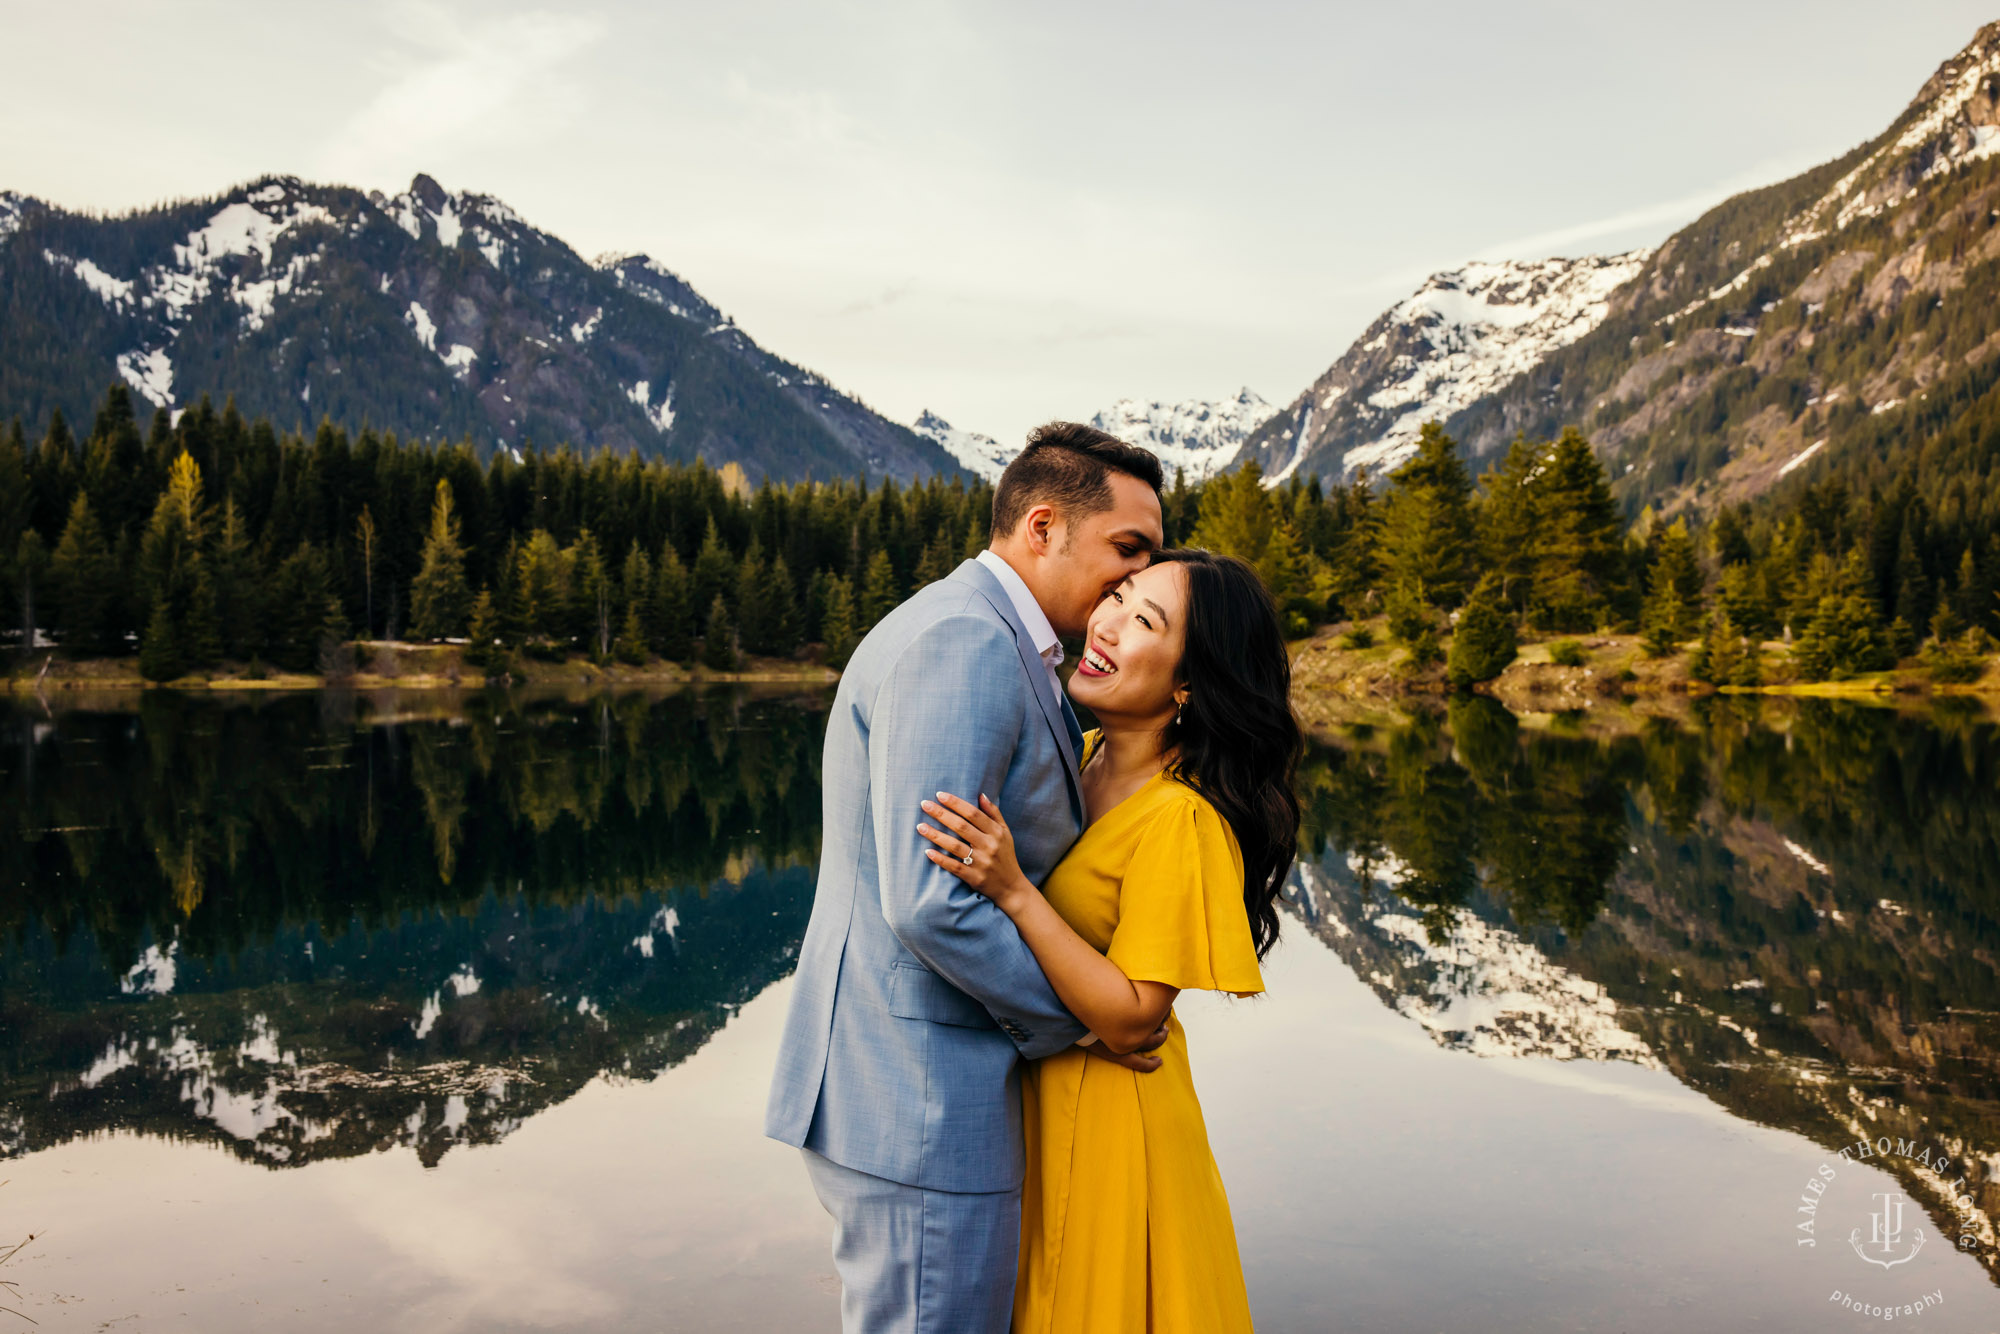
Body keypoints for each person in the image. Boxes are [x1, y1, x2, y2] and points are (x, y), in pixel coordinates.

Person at [765, 421, 1172, 1333]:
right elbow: (932, 901)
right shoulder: (967, 643)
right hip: (919, 1100)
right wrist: (1088, 1021)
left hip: (909, 1089)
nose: (1137, 578)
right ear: (1042, 525)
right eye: (1127, 549)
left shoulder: (990, 636)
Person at [915, 548, 1302, 1333]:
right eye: (1117, 597)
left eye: (1145, 620)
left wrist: (1015, 891)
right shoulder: (1082, 760)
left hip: (1117, 1122)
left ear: (1189, 684)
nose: (1109, 625)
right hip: (1049, 1104)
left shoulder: (1181, 818)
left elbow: (1134, 1017)